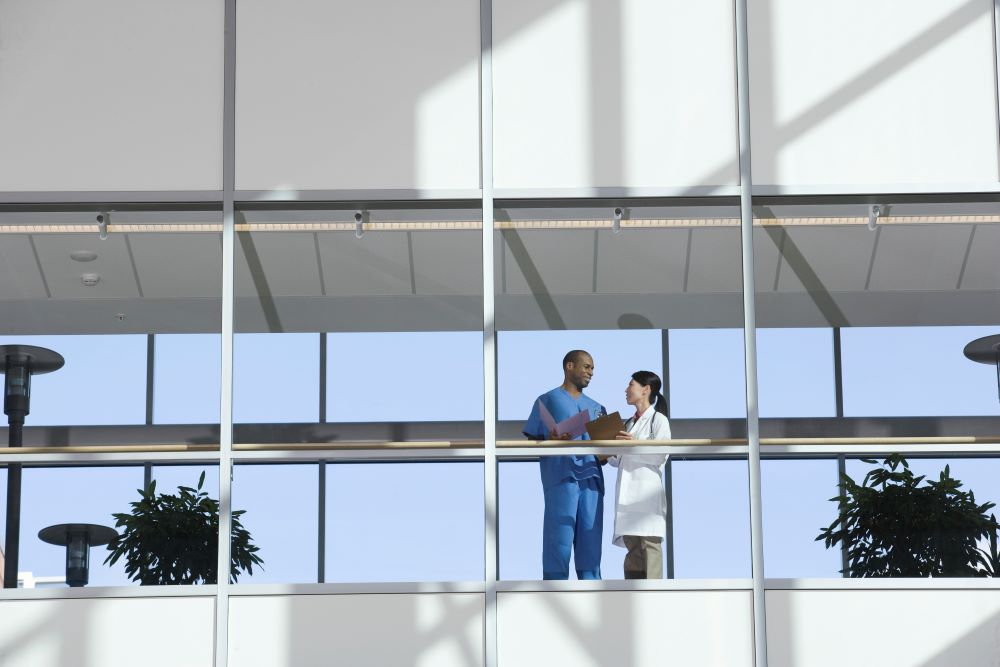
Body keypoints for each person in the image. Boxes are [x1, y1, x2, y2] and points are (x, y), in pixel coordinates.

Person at [523, 350, 607, 580]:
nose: (591, 372)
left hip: (592, 480)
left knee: (591, 543)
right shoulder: (547, 400)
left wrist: (607, 452)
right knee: (558, 540)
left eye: (592, 369)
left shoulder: (597, 407)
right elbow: (533, 440)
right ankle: (553, 593)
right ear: (569, 366)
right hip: (561, 478)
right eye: (587, 367)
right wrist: (552, 440)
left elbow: (604, 453)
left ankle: (593, 597)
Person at [608, 370, 671, 579]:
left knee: (649, 545)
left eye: (631, 385)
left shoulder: (658, 420)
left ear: (646, 389)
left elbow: (660, 456)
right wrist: (607, 448)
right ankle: (632, 594)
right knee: (633, 548)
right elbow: (618, 460)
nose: (626, 390)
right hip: (628, 496)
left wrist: (633, 444)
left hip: (646, 494)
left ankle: (654, 595)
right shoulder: (628, 423)